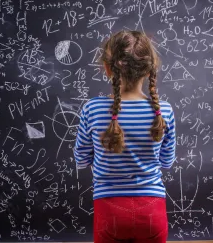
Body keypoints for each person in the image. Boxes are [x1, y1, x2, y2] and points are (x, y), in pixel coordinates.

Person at [73, 30, 176, 243]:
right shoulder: (163, 111)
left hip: (109, 211)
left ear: (107, 68)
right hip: (152, 211)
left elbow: (81, 160)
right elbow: (166, 162)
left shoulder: (92, 109)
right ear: (149, 70)